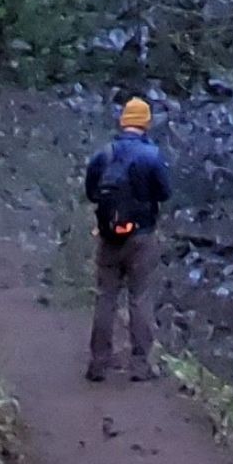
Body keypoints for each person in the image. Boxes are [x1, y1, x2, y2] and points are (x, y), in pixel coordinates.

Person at [84, 96, 171, 381]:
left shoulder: (104, 154)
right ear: (146, 123)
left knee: (105, 297)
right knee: (139, 298)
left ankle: (98, 363)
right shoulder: (152, 156)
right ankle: (140, 365)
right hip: (141, 237)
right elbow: (165, 193)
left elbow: (91, 192)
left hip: (109, 237)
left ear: (123, 122)